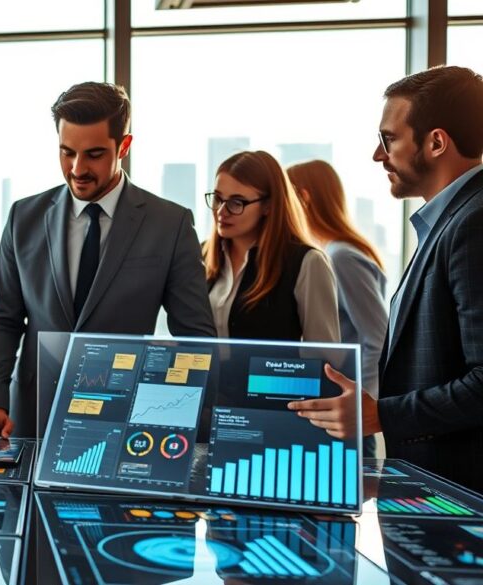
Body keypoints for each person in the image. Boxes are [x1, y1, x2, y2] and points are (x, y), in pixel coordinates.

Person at [0, 82, 216, 441]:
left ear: (123, 146)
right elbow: (2, 319)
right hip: (31, 419)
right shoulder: (24, 218)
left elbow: (195, 338)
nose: (78, 169)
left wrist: (180, 419)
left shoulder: (169, 224)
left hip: (129, 419)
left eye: (93, 154)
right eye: (67, 153)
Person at [289, 65, 483, 492]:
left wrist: (380, 414)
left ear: (435, 142)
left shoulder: (474, 223)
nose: (379, 155)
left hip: (461, 490)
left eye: (388, 139)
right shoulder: (450, 220)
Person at [287, 159, 387, 456]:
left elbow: (377, 337)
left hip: (347, 412)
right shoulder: (334, 252)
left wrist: (361, 403)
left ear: (303, 198)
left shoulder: (339, 255)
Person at [203, 150, 340, 343]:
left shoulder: (306, 262)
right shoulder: (200, 255)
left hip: (270, 374)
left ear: (269, 205)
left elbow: (324, 354)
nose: (221, 211)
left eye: (236, 202)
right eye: (217, 198)